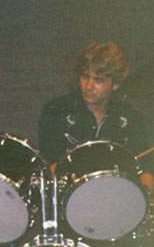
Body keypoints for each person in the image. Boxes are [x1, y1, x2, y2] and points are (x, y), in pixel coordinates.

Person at [37, 42, 153, 246]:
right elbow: (51, 167)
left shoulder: (130, 119)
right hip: (70, 215)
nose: (88, 86)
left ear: (115, 84)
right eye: (85, 76)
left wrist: (145, 189)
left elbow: (144, 172)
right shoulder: (56, 110)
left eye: (98, 80)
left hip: (119, 214)